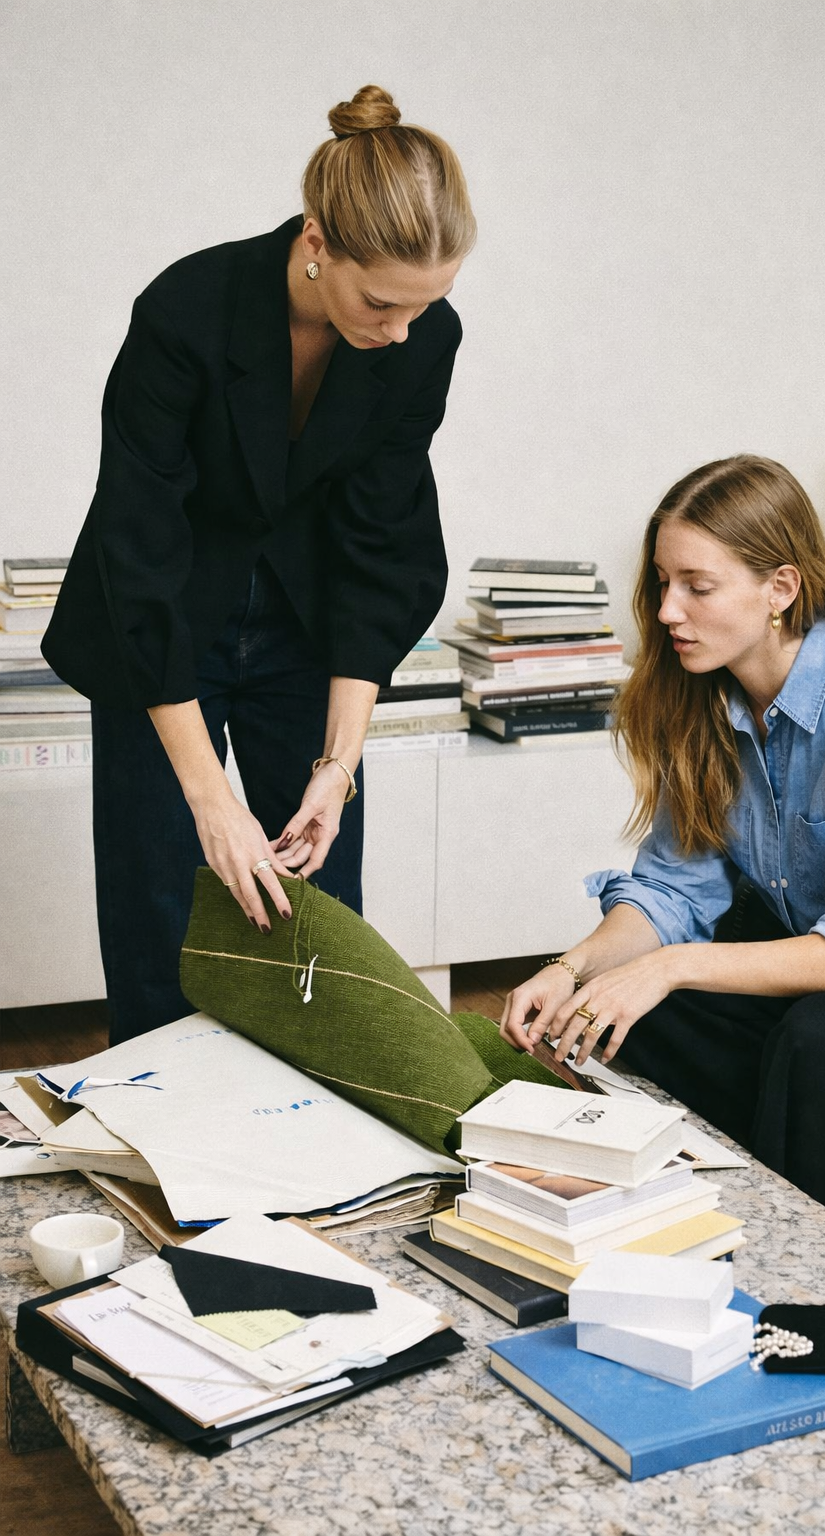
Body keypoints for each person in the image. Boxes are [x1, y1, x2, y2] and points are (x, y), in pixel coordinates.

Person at [500, 455, 825, 1254]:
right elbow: (673, 893)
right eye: (663, 583)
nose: (667, 610)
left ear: (780, 588)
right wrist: (571, 971)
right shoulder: (704, 700)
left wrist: (671, 966)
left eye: (698, 587)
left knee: (822, 1045)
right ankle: (678, 1225)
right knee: (620, 1012)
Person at [43, 86, 476, 1044]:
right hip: (159, 620)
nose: (401, 331)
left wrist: (339, 765)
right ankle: (156, 1110)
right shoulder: (187, 309)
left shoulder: (422, 338)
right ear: (318, 241)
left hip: (307, 622)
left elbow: (383, 541)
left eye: (426, 304)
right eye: (381, 302)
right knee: (162, 913)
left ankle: (320, 1118)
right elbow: (139, 543)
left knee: (318, 917)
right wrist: (211, 801)